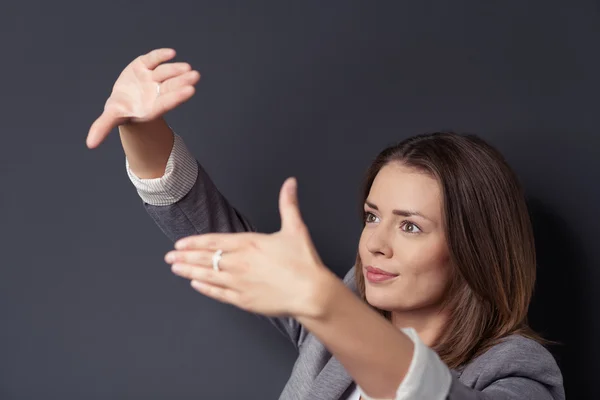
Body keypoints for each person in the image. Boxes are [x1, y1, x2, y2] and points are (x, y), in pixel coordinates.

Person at [86, 48, 565, 400]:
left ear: (475, 246)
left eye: (411, 226)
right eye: (372, 217)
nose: (375, 244)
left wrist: (327, 303)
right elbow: (212, 229)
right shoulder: (339, 319)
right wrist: (140, 127)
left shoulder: (516, 371)